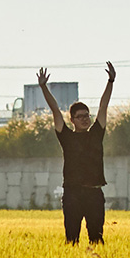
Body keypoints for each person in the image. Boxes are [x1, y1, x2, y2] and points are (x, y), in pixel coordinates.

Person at [38, 64, 114, 245]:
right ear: (71, 120)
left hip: (95, 192)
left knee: (97, 239)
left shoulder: (96, 133)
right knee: (71, 239)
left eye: (87, 115)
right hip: (72, 193)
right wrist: (43, 87)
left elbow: (104, 106)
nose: (85, 118)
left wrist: (110, 81)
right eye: (80, 116)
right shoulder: (66, 137)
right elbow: (55, 110)